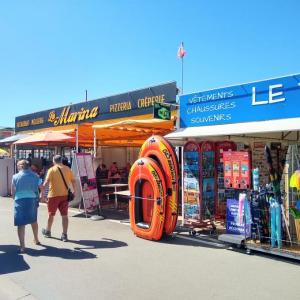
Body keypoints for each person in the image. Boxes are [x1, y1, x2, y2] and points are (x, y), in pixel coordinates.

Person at [41, 155, 76, 242]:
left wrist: (42, 194)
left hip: (53, 195)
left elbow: (46, 183)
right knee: (64, 216)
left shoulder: (51, 170)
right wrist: (74, 191)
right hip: (64, 195)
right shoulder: (68, 169)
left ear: (53, 161)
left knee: (51, 215)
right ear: (61, 160)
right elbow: (73, 181)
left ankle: (48, 231)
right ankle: (64, 235)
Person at [11, 160, 43, 253]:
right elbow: (41, 187)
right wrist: (41, 197)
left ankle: (22, 246)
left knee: (21, 224)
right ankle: (36, 239)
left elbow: (12, 192)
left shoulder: (15, 176)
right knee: (33, 220)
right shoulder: (35, 176)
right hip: (32, 199)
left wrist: (15, 198)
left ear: (20, 167)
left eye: (17, 165)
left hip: (19, 200)